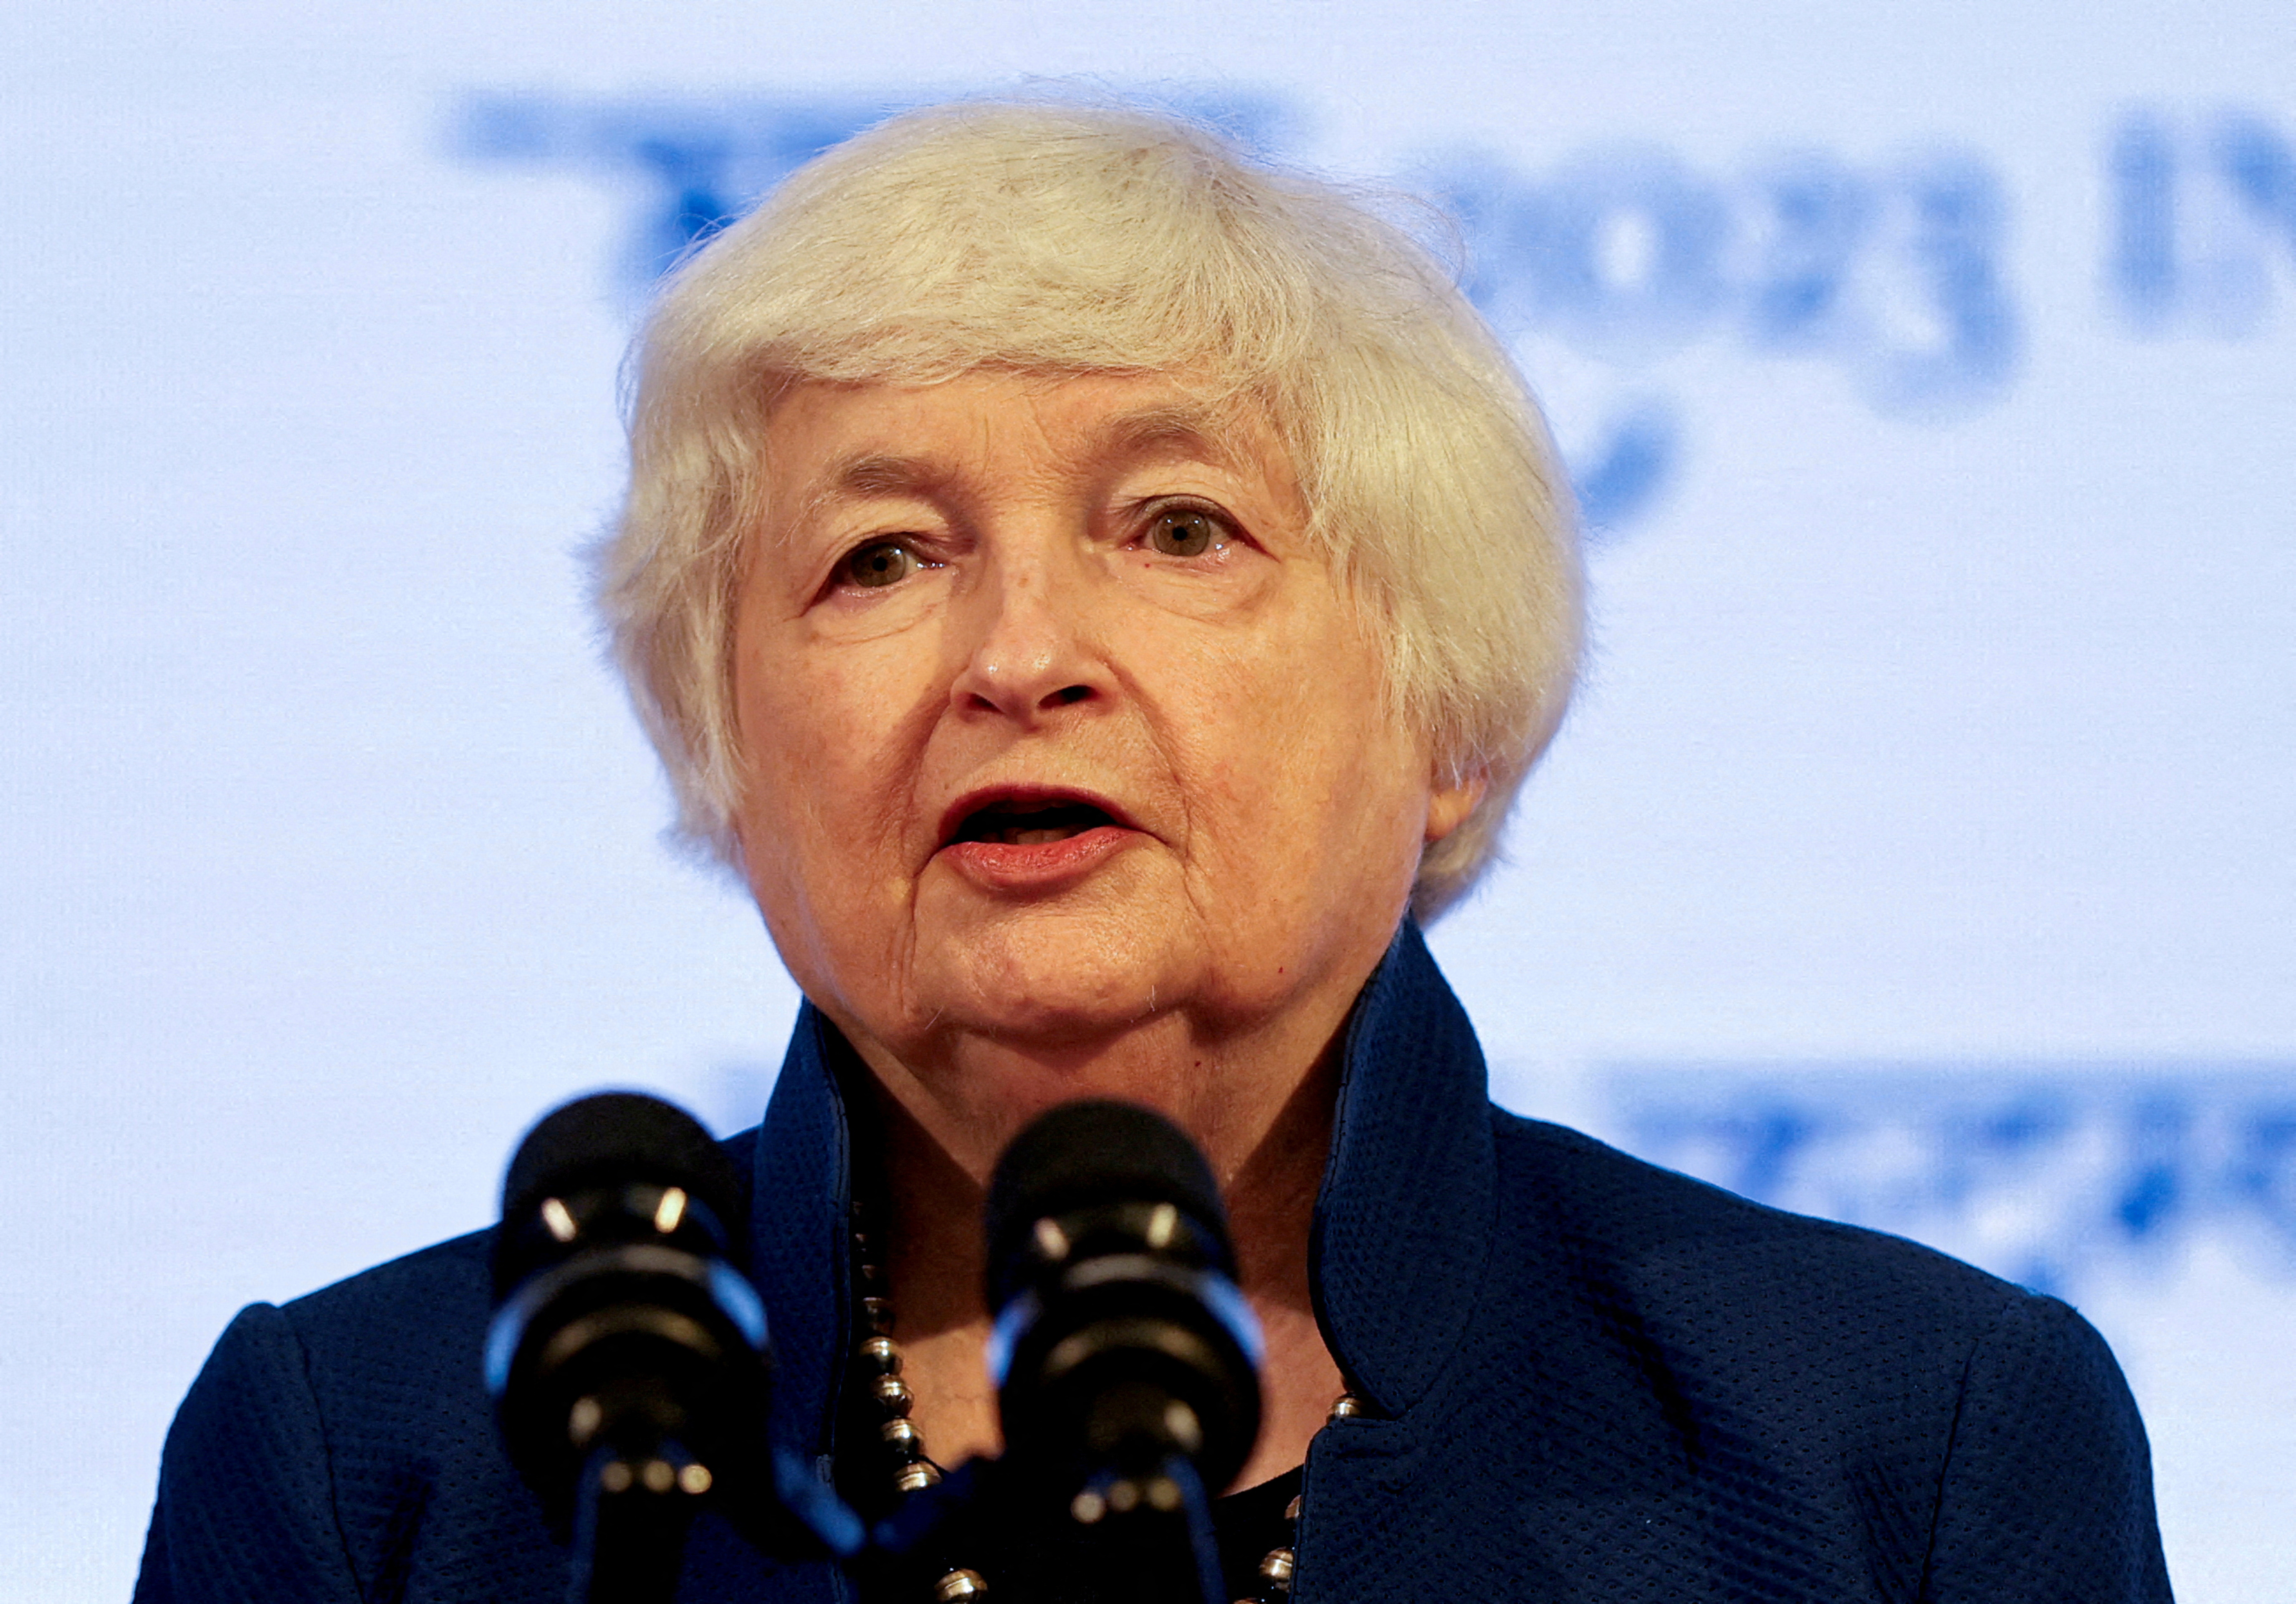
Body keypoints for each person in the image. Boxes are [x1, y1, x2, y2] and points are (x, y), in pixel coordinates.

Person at [134, 99, 2172, 1603]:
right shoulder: (377, 1467)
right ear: (733, 762)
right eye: (879, 557)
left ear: (1444, 723)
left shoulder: (1895, 1448)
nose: (1018, 657)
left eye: (1178, 527)